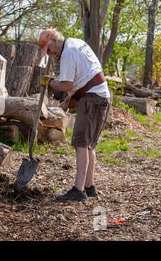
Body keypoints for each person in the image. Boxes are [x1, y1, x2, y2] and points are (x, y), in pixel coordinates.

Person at [38, 29, 111, 202]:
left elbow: (66, 85)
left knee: (81, 144)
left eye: (49, 50)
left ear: (54, 41)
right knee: (88, 145)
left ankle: (79, 190)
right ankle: (89, 186)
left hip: (92, 99)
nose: (50, 54)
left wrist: (50, 82)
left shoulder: (68, 52)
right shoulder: (75, 43)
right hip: (99, 96)